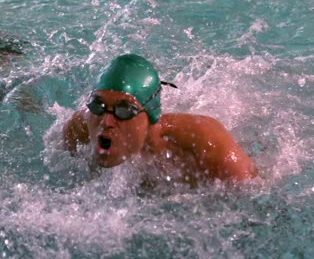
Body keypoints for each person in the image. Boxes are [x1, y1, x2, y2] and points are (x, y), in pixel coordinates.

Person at [62, 54, 257, 187]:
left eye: (124, 111)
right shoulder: (79, 129)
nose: (106, 121)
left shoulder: (207, 143)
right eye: (98, 105)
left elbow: (256, 195)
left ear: (150, 116)